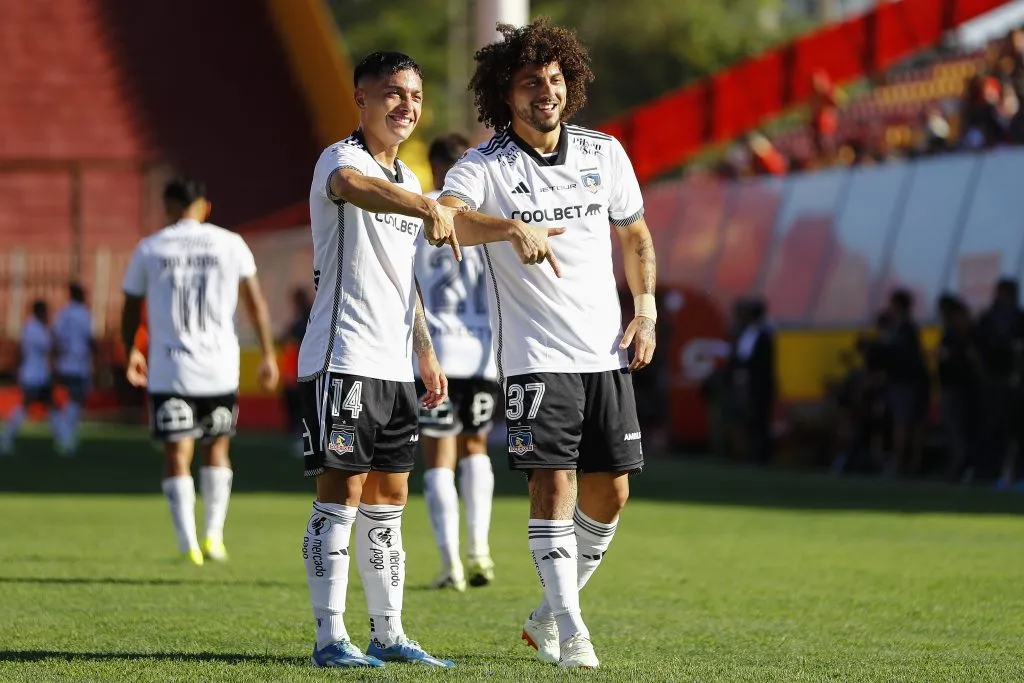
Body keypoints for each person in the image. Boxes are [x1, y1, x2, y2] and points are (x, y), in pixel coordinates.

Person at [296, 50, 558, 670]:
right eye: (391, 93)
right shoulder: (342, 159)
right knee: (342, 494)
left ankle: (389, 633)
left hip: (394, 365)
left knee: (390, 498)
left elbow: (417, 263)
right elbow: (360, 192)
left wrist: (513, 231)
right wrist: (429, 208)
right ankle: (330, 636)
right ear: (360, 98)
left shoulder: (414, 182)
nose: (405, 106)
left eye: (413, 96)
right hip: (344, 356)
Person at [438, 18, 658, 669]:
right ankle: (572, 627)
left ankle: (546, 614)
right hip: (535, 358)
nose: (547, 91)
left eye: (556, 79)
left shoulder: (604, 153)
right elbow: (444, 220)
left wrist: (644, 310)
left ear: (571, 84)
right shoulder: (484, 166)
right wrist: (505, 227)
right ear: (506, 93)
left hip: (605, 353)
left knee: (612, 491)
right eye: (532, 81)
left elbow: (637, 237)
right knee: (552, 485)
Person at [120, 176, 279, 566]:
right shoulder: (231, 244)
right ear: (204, 207)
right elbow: (256, 305)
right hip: (220, 366)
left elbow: (128, 308)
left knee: (177, 453)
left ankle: (187, 543)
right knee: (218, 449)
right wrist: (268, 355)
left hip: (170, 367)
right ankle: (215, 537)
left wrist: (130, 351)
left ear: (168, 207)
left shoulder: (150, 248)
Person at [416, 132, 500, 592]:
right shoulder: (486, 215)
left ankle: (450, 564)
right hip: (482, 350)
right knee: (476, 448)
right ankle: (480, 551)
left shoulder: (419, 210)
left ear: (431, 167)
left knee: (438, 458)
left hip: (434, 353)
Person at [1, 300, 63, 455]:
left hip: (37, 374)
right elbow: (50, 346)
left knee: (50, 405)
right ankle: (6, 437)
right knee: (31, 405)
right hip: (34, 375)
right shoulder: (35, 329)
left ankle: (64, 439)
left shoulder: (32, 327)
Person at [52, 282, 97, 455]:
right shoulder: (84, 314)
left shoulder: (62, 314)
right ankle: (67, 435)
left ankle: (66, 434)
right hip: (79, 363)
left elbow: (55, 337)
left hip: (64, 362)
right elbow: (89, 338)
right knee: (76, 399)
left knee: (69, 398)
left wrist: (55, 359)